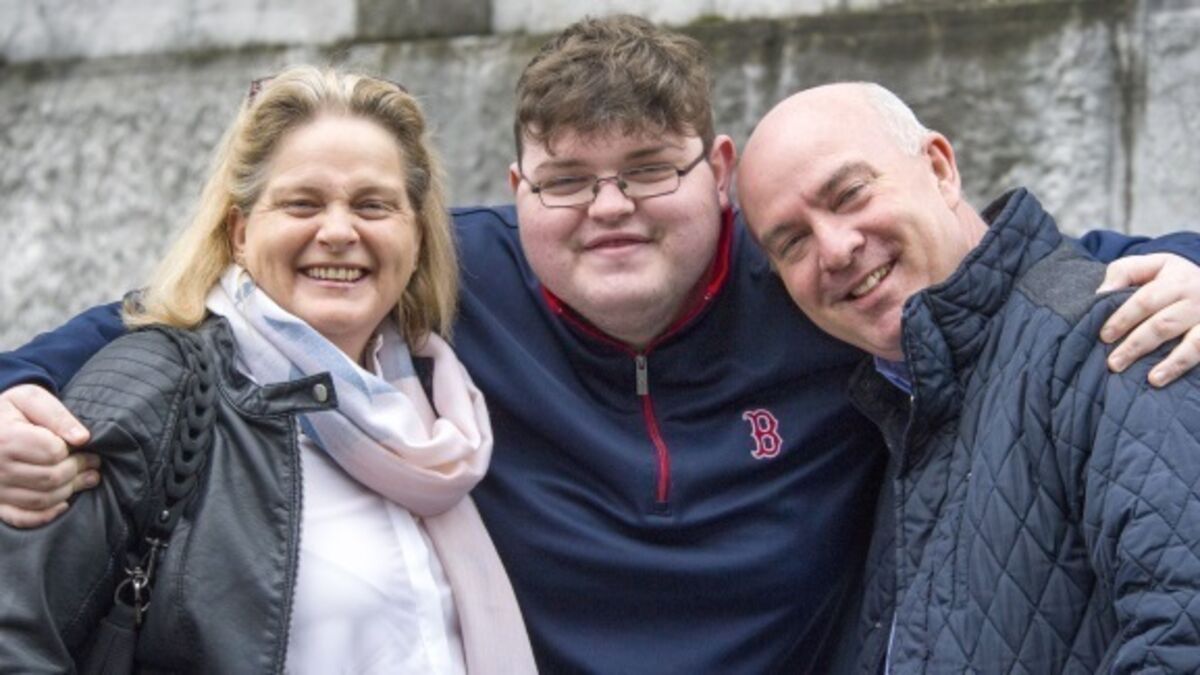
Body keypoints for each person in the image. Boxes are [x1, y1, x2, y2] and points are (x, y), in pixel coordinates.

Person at [2, 16, 1200, 673]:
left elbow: (1011, 273)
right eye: (568, 180)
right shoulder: (454, 282)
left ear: (718, 174)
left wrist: (1193, 267)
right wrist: (15, 391)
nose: (609, 209)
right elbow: (179, 318)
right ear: (517, 186)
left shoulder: (806, 282)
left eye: (649, 171)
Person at [0, 66, 536, 673]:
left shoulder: (442, 406)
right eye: (302, 203)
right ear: (239, 233)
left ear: (418, 237)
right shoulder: (157, 388)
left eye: (373, 205)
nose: (339, 231)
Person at [737, 81, 1200, 673]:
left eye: (850, 194)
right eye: (792, 242)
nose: (834, 249)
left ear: (940, 169)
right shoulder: (894, 402)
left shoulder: (1122, 333)